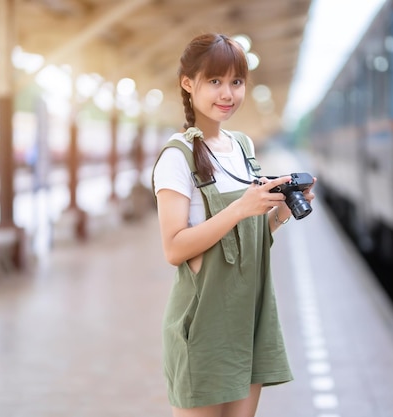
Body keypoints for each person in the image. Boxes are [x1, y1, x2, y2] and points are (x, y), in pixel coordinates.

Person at [152, 33, 316, 417]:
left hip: (250, 313)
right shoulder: (177, 157)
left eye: (236, 82)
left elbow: (247, 236)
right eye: (215, 81)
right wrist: (241, 208)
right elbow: (173, 248)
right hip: (206, 318)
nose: (227, 93)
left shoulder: (242, 146)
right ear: (188, 83)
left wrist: (280, 212)